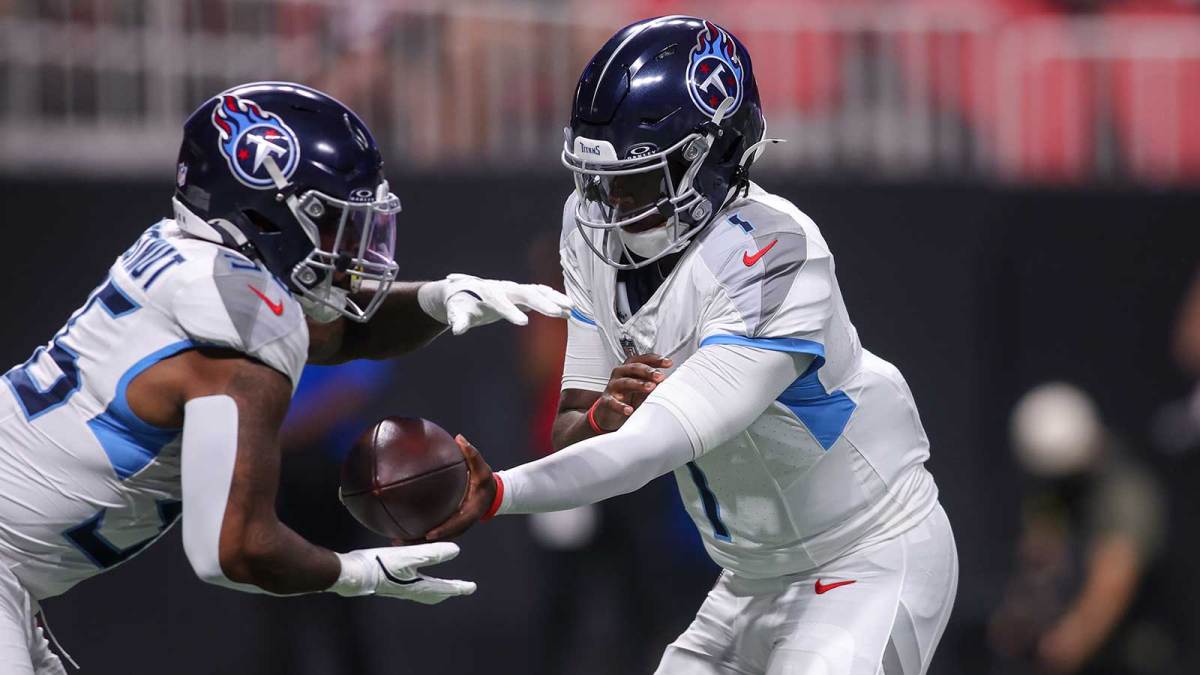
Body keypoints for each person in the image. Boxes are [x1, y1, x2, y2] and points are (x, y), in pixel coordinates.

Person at [430, 17, 958, 675]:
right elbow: (579, 425)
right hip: (748, 578)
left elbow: (650, 447)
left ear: (712, 158)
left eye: (638, 180)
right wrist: (597, 417)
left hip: (863, 555)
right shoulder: (589, 227)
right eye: (599, 180)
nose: (610, 204)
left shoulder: (773, 253)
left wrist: (502, 491)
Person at [0, 81, 571, 674]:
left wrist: (441, 296)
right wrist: (353, 573)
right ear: (261, 213)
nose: (352, 247)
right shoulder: (242, 324)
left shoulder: (192, 254)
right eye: (330, 222)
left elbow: (338, 334)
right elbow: (230, 548)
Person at [989, 383, 1167, 675]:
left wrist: (1076, 635)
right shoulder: (1052, 492)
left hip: (1132, 653)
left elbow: (1116, 572)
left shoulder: (1123, 491)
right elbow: (1041, 557)